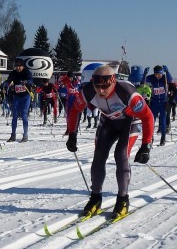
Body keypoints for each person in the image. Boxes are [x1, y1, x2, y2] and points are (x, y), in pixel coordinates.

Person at [65, 65, 154, 220]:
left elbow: (148, 117)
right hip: (108, 121)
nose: (100, 91)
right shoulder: (88, 91)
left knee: (121, 154)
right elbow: (74, 110)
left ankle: (123, 199)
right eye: (97, 86)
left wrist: (146, 146)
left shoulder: (127, 93)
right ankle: (95, 197)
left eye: (105, 87)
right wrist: (72, 134)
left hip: (129, 121)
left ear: (113, 82)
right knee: (99, 155)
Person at [4, 57, 33, 142]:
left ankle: (25, 135)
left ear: (23, 66)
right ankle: (13, 135)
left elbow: (31, 80)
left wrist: (26, 82)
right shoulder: (13, 73)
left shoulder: (27, 72)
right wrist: (5, 84)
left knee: (24, 115)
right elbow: (9, 80)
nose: (18, 68)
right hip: (17, 96)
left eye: (19, 66)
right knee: (15, 115)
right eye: (16, 66)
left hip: (26, 96)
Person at [145, 65, 173, 145]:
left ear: (162, 73)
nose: (157, 76)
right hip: (154, 102)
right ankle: (151, 137)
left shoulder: (165, 78)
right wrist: (144, 74)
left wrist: (167, 72)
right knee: (152, 120)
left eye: (159, 74)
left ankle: (163, 137)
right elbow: (143, 81)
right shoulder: (152, 78)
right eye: (156, 74)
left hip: (163, 102)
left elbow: (170, 79)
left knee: (163, 119)